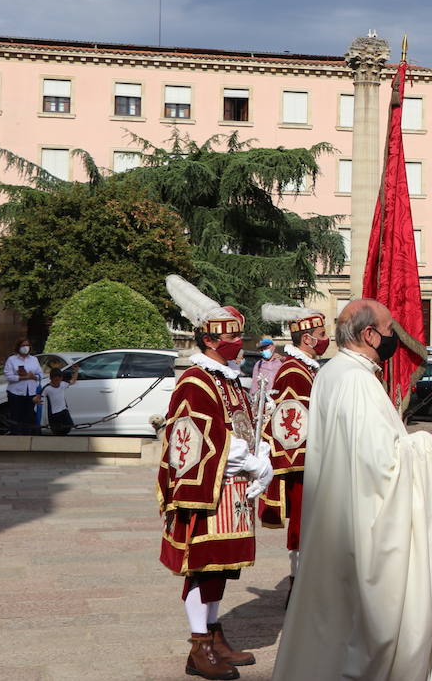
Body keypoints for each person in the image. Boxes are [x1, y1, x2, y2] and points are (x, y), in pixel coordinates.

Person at [274, 299, 432, 681]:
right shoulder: (357, 382)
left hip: (338, 516)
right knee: (361, 627)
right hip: (359, 525)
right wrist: (422, 448)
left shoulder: (333, 372)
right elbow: (381, 466)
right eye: (389, 331)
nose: (392, 339)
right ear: (369, 335)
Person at [158, 275, 272, 681]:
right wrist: (249, 460)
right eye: (229, 337)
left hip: (233, 489)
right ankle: (198, 646)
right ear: (208, 340)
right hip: (207, 491)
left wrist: (263, 457)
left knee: (222, 568)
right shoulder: (196, 379)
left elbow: (240, 427)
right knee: (202, 565)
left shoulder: (227, 377)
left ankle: (213, 634)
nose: (237, 343)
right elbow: (201, 435)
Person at [256, 304, 329, 602]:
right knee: (303, 526)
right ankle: (298, 587)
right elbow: (291, 425)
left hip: (314, 462)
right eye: (323, 334)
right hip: (303, 465)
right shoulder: (293, 371)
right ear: (307, 339)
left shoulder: (306, 367)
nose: (327, 338)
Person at [4, 339, 43, 435]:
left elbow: (41, 374)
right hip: (15, 392)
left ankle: (27, 437)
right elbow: (8, 376)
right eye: (23, 345)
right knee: (16, 416)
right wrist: (23, 377)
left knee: (28, 417)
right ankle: (16, 436)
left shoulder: (34, 359)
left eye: (27, 345)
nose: (25, 347)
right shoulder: (12, 359)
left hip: (31, 392)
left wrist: (34, 377)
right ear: (18, 347)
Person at [41, 365, 78, 435]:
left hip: (64, 411)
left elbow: (73, 381)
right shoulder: (47, 388)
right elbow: (39, 396)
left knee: (68, 427)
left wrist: (76, 371)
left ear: (61, 378)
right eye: (55, 380)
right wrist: (36, 400)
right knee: (57, 431)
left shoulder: (63, 384)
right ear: (51, 379)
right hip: (54, 413)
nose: (57, 382)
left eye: (59, 380)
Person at [251, 336, 281, 406]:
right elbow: (254, 385)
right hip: (264, 402)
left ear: (273, 347)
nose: (264, 351)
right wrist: (254, 402)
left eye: (266, 348)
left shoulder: (280, 363)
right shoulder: (258, 365)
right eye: (262, 349)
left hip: (278, 399)